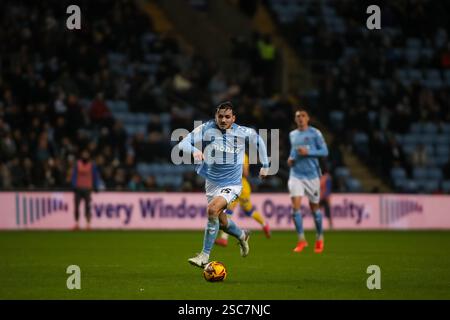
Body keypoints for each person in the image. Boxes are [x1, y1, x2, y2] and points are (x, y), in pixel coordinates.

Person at [177, 101, 269, 268]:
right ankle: (242, 235)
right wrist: (195, 150)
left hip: (233, 183)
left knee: (212, 210)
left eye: (227, 117)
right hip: (211, 183)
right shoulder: (206, 128)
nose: (223, 120)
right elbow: (182, 143)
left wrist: (266, 165)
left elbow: (259, 141)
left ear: (233, 118)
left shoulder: (242, 132)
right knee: (223, 223)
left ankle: (204, 256)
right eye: (220, 116)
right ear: (215, 117)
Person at [287, 108, 329, 253]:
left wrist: (309, 152)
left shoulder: (315, 133)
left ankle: (319, 238)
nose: (300, 118)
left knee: (314, 208)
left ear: (308, 118)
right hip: (296, 175)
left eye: (303, 116)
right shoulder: (292, 134)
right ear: (295, 119)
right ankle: (301, 240)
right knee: (295, 208)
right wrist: (290, 159)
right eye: (298, 116)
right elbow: (293, 151)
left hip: (312, 176)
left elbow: (324, 151)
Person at [215, 152, 271, 247]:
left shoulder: (242, 156)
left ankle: (264, 224)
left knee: (248, 211)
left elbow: (245, 173)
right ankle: (224, 239)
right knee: (227, 211)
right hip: (232, 186)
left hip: (242, 188)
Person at [70, 150, 100, 230]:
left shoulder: (92, 165)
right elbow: (74, 175)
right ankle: (76, 223)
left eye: (86, 154)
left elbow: (95, 176)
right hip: (78, 188)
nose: (85, 156)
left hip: (88, 189)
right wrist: (74, 186)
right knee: (76, 207)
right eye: (84, 154)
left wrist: (96, 186)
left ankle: (88, 224)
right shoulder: (78, 164)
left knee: (88, 207)